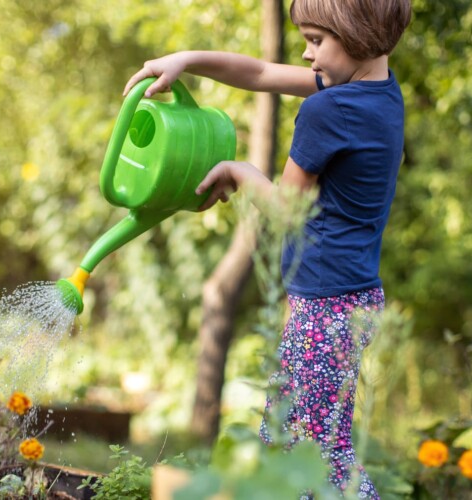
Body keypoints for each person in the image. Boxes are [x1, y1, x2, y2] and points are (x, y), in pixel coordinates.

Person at [125, 0, 411, 497]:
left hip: (325, 307)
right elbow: (258, 72)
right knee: (308, 447)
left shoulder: (330, 109)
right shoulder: (380, 93)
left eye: (316, 40)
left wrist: (240, 172)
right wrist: (186, 60)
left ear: (358, 33)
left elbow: (284, 211)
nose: (305, 54)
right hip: (353, 300)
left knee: (307, 456)